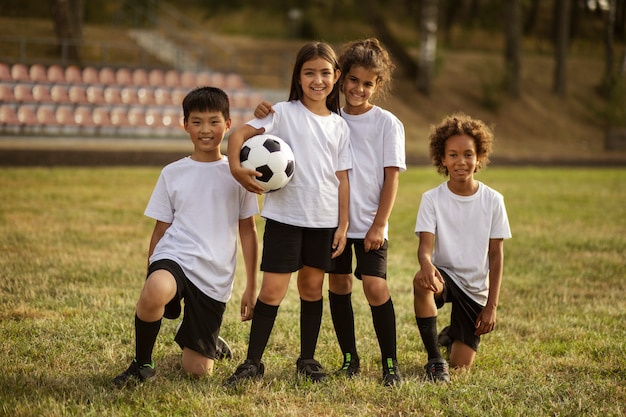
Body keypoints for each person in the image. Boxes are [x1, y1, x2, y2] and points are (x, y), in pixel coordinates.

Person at [254, 38, 405, 385]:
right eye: (353, 80)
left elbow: (392, 177)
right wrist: (264, 111)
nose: (359, 88)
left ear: (377, 85)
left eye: (368, 83)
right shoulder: (329, 117)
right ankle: (349, 358)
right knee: (338, 286)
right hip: (330, 223)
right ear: (342, 78)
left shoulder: (387, 124)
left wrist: (379, 224)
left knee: (376, 288)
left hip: (369, 225)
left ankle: (390, 365)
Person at [112, 86, 259, 388]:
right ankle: (142, 364)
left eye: (214, 121)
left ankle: (210, 341)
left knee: (198, 371)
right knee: (155, 290)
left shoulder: (239, 175)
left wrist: (252, 287)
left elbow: (248, 231)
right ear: (185, 125)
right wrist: (151, 270)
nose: (206, 130)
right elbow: (161, 228)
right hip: (175, 256)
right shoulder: (173, 173)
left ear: (228, 125)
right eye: (197, 122)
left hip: (214, 275)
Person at [224, 41, 352, 385]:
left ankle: (307, 359)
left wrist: (343, 224)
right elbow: (237, 137)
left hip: (323, 220)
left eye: (325, 73)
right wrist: (237, 169)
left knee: (311, 288)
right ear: (298, 75)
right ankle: (252, 362)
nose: (317, 80)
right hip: (285, 217)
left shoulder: (340, 126)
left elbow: (342, 179)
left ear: (336, 76)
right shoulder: (282, 112)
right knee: (272, 291)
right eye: (309, 72)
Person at [412, 113, 512, 383]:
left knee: (460, 366)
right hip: (444, 276)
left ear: (479, 157)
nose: (461, 162)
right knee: (422, 282)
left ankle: (450, 335)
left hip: (475, 289)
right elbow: (425, 249)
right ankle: (434, 360)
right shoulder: (432, 199)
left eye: (468, 154)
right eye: (453, 155)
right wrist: (425, 265)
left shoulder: (493, 200)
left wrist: (491, 306)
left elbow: (496, 256)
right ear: (442, 159)